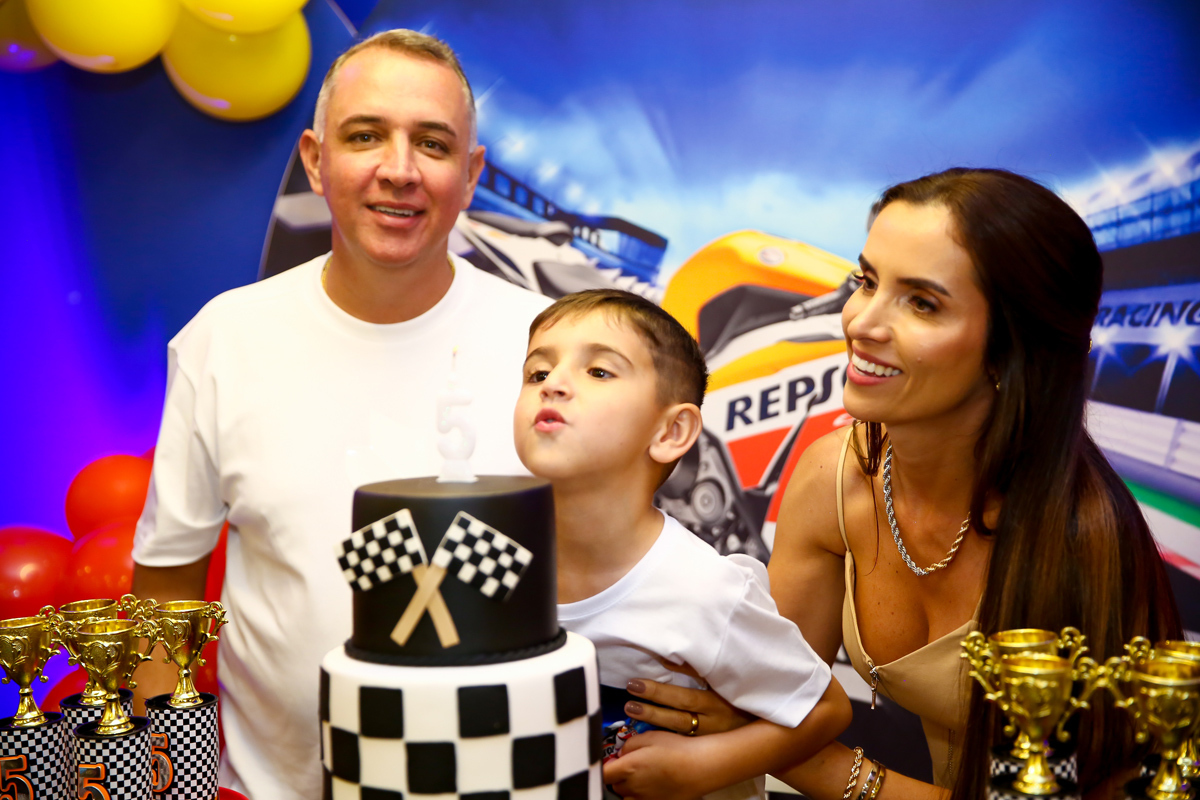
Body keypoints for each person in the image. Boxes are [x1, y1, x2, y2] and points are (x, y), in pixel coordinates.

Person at [605, 168, 1181, 799]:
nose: (861, 323)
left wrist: (832, 771)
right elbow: (769, 710)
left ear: (1011, 346)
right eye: (867, 281)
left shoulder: (1084, 541)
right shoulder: (833, 476)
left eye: (922, 303)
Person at [131, 30, 551, 800]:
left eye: (432, 143)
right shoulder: (225, 339)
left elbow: (615, 564)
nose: (400, 169)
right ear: (316, 161)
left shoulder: (549, 347)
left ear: (470, 175)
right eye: (365, 136)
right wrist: (164, 782)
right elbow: (166, 594)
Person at [512, 289, 852, 800]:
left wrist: (703, 766)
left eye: (599, 371)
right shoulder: (494, 562)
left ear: (672, 431)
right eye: (537, 373)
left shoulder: (704, 592)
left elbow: (825, 709)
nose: (553, 384)